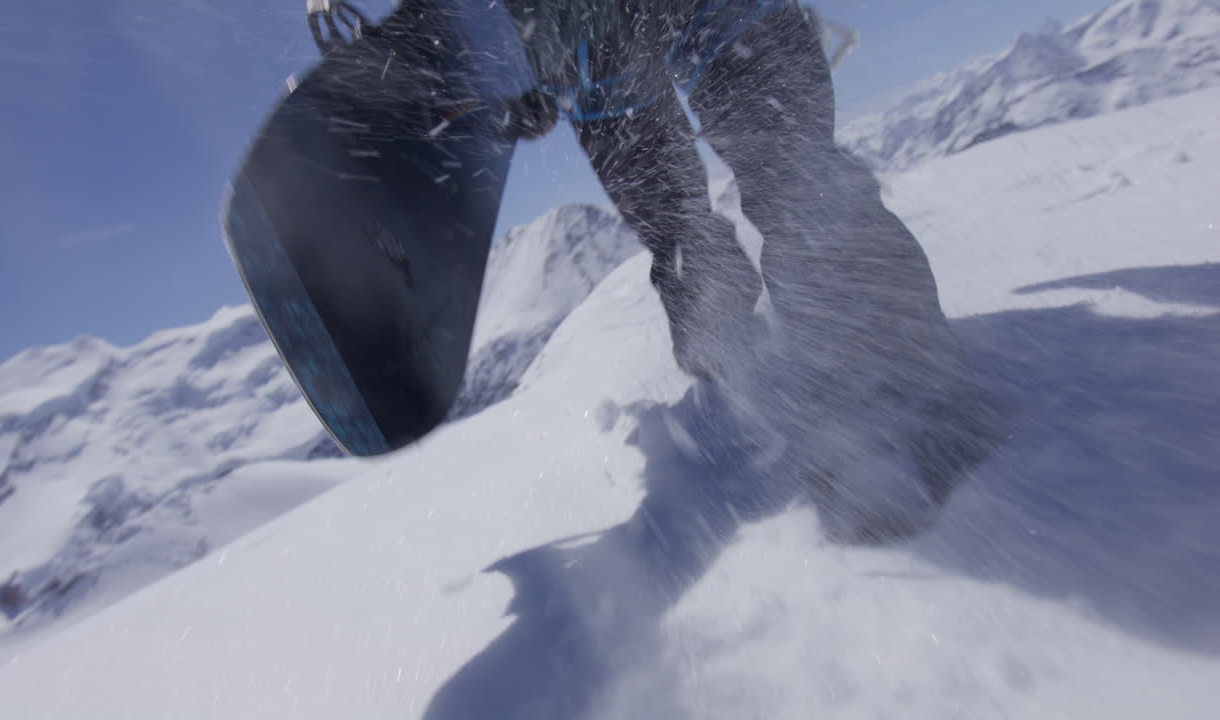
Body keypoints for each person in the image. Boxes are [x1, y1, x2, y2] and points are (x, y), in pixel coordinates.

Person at [310, 0, 995, 542]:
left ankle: (898, 398)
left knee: (797, 181)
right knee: (683, 244)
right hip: (590, 55)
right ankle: (750, 391)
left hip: (710, 13)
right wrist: (504, 68)